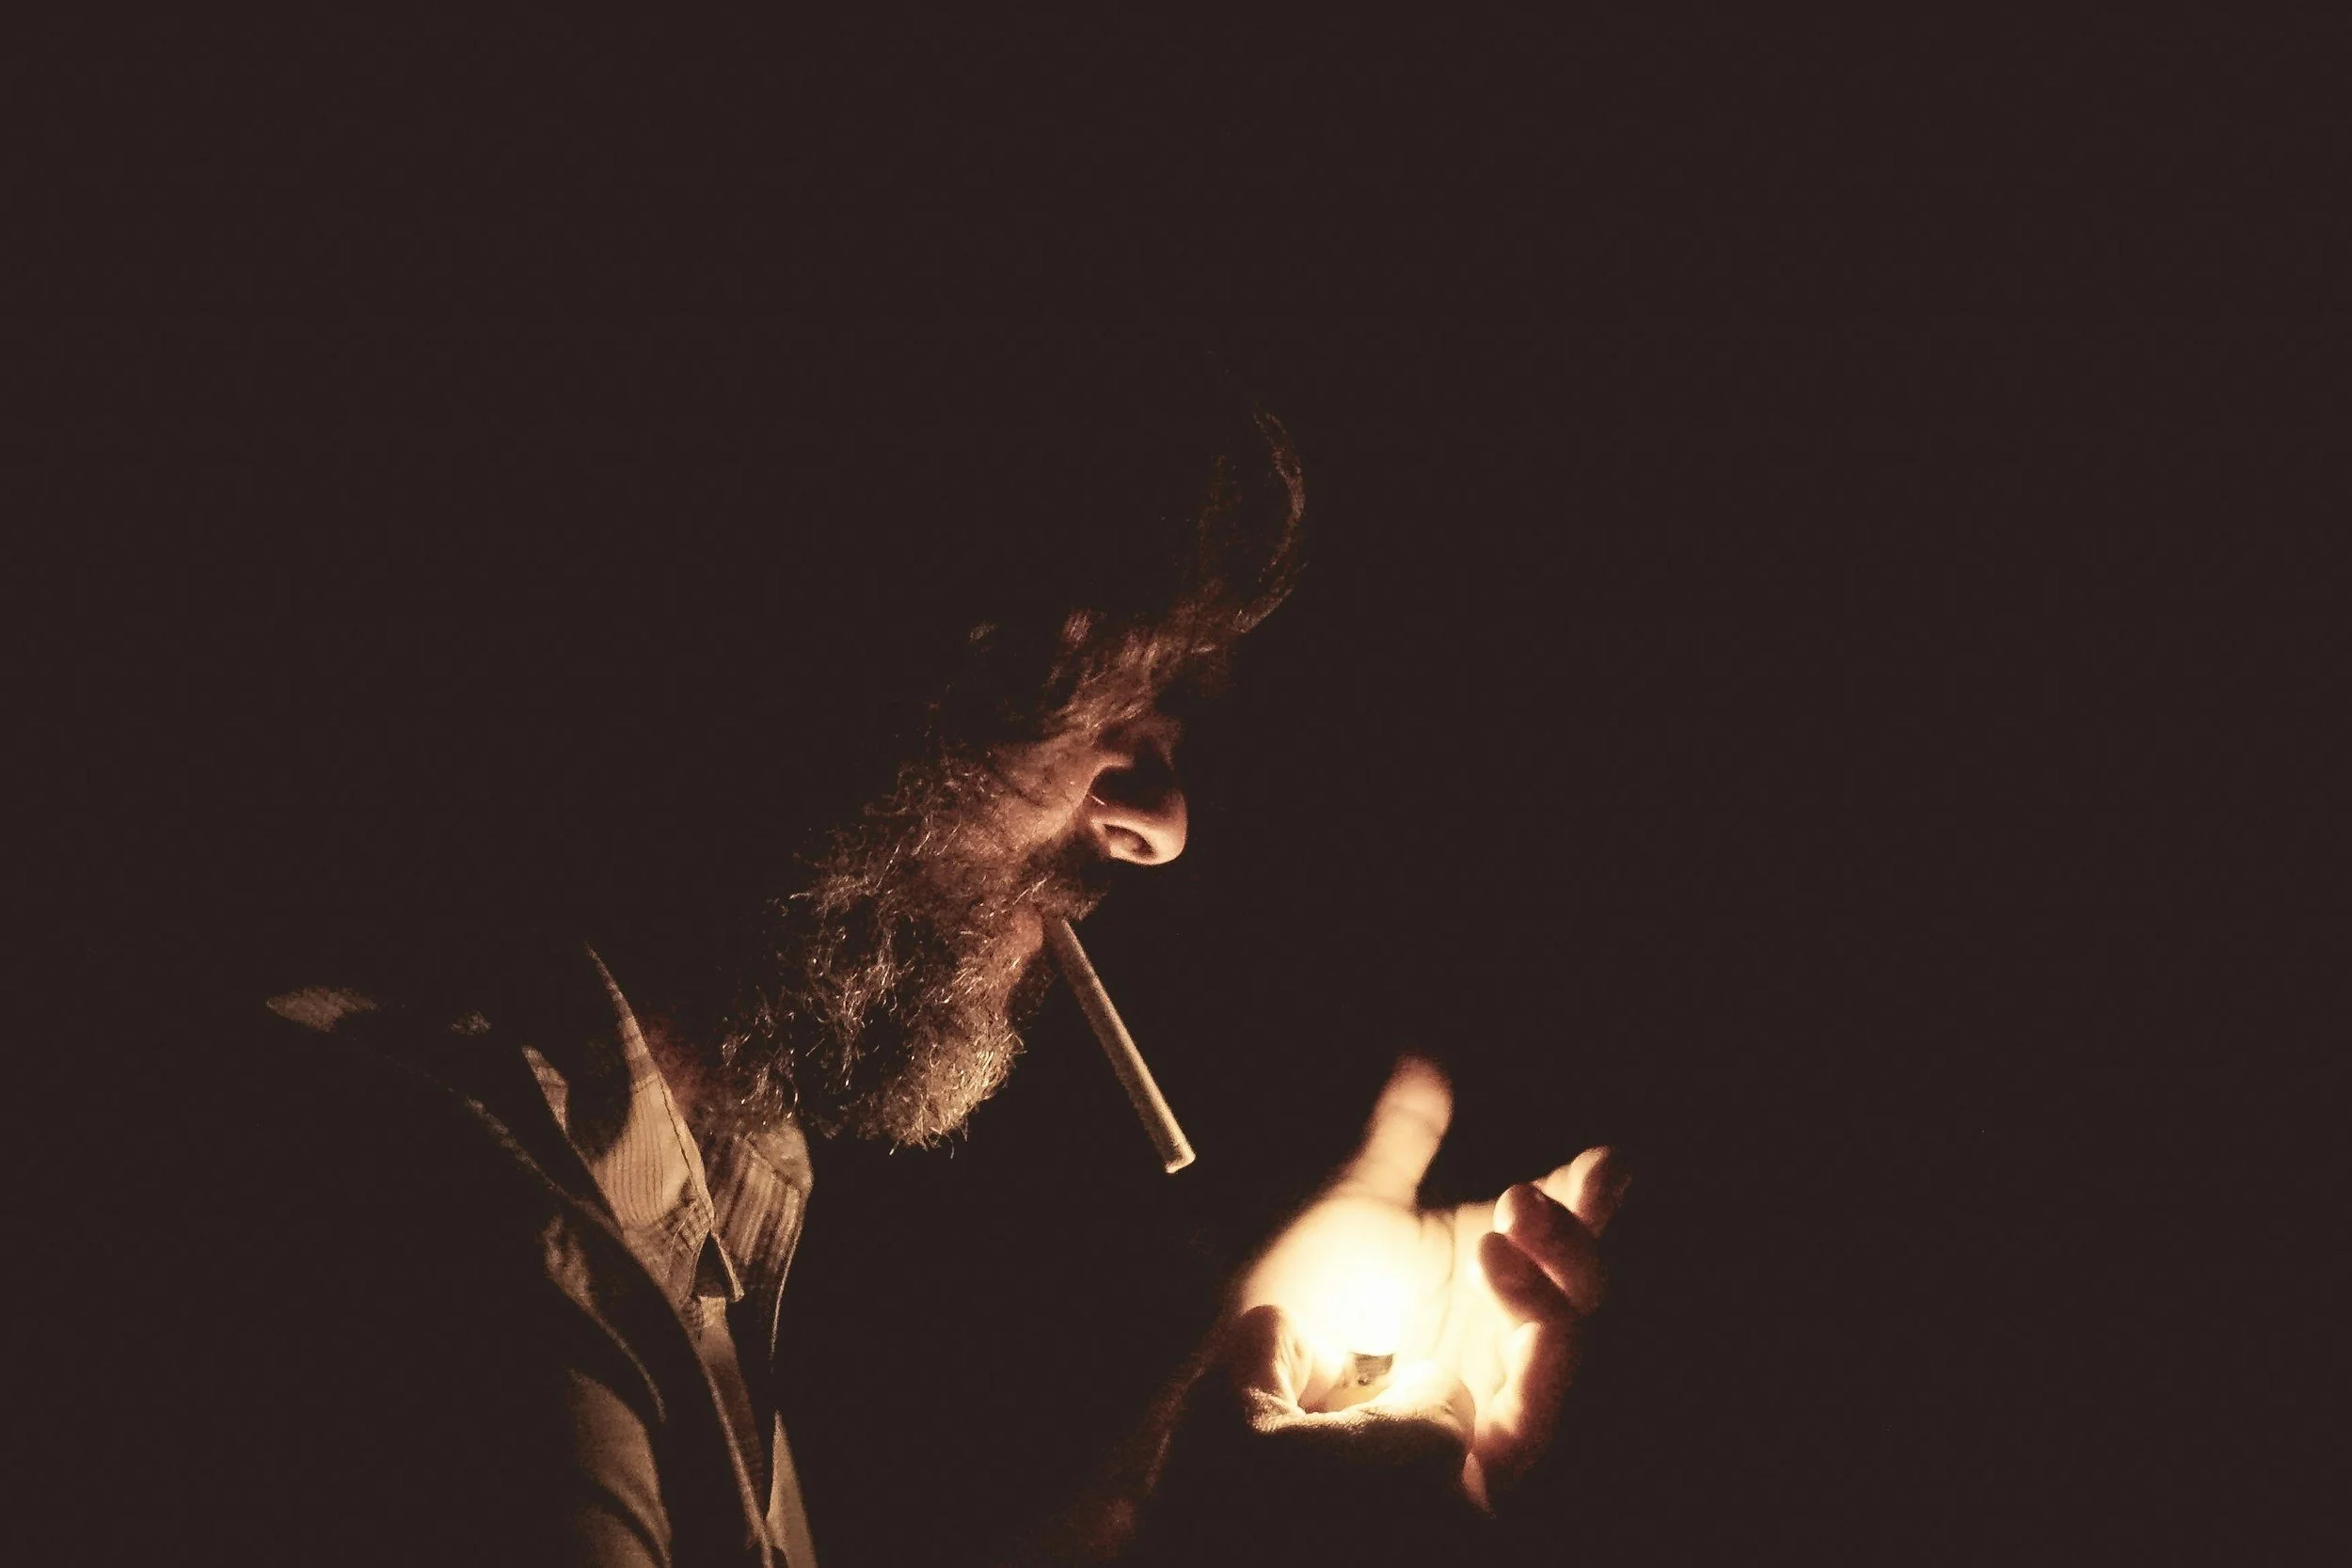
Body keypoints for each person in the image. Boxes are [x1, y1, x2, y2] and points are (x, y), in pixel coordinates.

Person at [135, 330, 1622, 1566]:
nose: (1163, 823)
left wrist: (1184, 1456)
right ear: (840, 650)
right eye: (1101, 706)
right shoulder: (438, 1241)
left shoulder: (715, 1166)